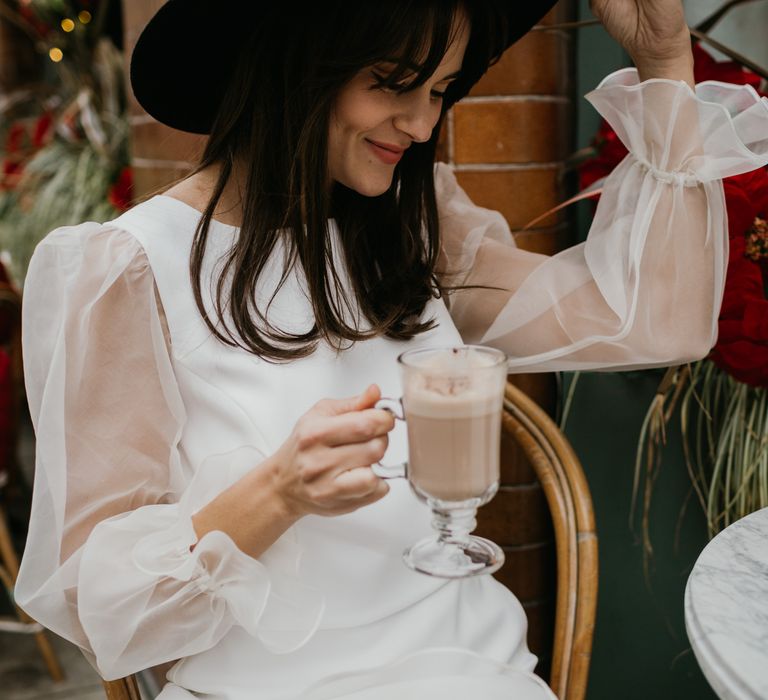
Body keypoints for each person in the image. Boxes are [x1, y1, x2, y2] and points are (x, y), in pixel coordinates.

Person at [15, 1, 768, 698]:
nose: (417, 122)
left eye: (439, 90)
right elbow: (104, 607)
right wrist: (278, 493)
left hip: (479, 673)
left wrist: (667, 62)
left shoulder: (409, 235)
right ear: (294, 62)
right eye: (392, 83)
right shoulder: (131, 268)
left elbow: (656, 320)